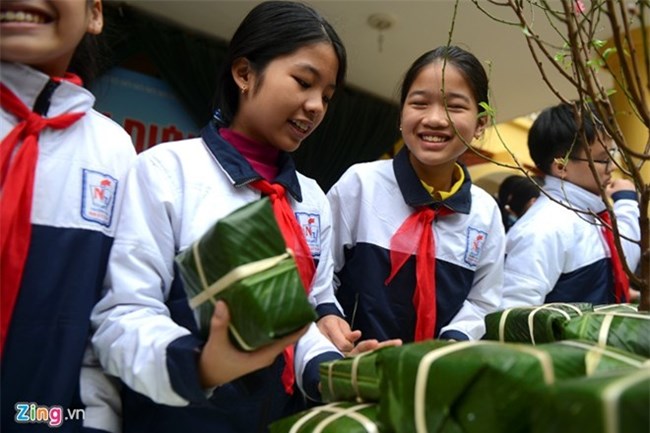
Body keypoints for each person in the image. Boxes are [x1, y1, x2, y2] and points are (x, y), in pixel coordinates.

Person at [90, 2, 391, 432]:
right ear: (245, 74)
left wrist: (333, 372)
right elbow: (124, 314)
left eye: (326, 96)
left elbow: (299, 320)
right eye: (303, 82)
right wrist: (202, 364)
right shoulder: (168, 171)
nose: (315, 107)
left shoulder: (311, 199)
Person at [0, 1, 135, 432]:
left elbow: (109, 318)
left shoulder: (114, 153)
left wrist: (89, 424)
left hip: (36, 418)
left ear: (94, 15)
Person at [327, 46, 506, 343]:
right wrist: (332, 324)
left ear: (480, 123)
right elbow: (321, 273)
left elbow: (483, 299)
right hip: (351, 370)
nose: (435, 119)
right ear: (401, 114)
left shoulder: (485, 212)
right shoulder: (361, 184)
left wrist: (455, 340)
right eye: (419, 103)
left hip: (435, 378)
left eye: (455, 107)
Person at [501, 102, 641, 308]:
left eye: (612, 154)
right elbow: (515, 315)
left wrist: (627, 201)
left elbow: (625, 257)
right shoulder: (542, 229)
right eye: (603, 159)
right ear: (561, 166)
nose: (612, 167)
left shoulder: (591, 214)